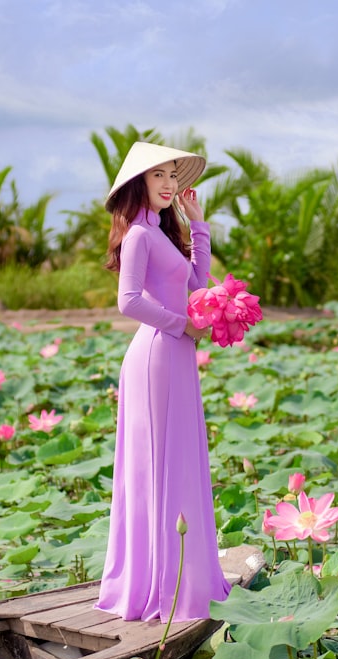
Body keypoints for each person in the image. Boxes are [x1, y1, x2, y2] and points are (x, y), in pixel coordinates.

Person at [95, 142, 231, 622]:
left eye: (174, 175)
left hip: (176, 352)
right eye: (159, 176)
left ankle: (184, 576)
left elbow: (198, 285)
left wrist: (198, 225)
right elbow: (128, 301)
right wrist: (182, 325)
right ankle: (156, 582)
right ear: (140, 183)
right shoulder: (137, 236)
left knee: (180, 459)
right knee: (159, 464)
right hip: (156, 351)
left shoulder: (162, 233)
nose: (170, 183)